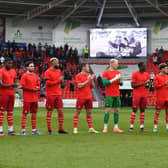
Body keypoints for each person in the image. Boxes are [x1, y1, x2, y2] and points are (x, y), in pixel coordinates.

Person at [44, 58, 68, 135]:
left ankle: (60, 129)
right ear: (52, 63)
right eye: (57, 63)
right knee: (50, 111)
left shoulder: (59, 71)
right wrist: (58, 81)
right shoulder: (47, 72)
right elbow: (48, 83)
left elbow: (60, 82)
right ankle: (49, 129)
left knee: (60, 111)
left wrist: (62, 83)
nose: (58, 64)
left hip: (58, 94)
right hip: (51, 94)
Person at [73, 63, 98, 134]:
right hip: (81, 97)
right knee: (77, 112)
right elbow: (79, 86)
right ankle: (75, 128)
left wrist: (92, 80)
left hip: (89, 97)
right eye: (87, 67)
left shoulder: (89, 76)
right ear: (83, 68)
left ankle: (90, 128)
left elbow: (92, 86)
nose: (89, 68)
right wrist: (87, 80)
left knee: (89, 113)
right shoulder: (78, 76)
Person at [102, 59, 123, 133]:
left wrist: (120, 80)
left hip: (116, 94)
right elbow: (105, 83)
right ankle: (105, 127)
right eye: (116, 63)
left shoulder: (118, 72)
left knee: (117, 110)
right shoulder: (106, 72)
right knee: (108, 110)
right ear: (111, 64)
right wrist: (115, 78)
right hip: (109, 94)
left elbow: (121, 84)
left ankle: (116, 127)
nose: (118, 65)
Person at [20, 61, 40, 136]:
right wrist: (32, 89)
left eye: (33, 66)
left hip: (35, 98)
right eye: (31, 66)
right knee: (25, 114)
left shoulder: (36, 76)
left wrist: (37, 88)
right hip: (27, 98)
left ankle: (34, 130)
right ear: (27, 67)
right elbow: (23, 86)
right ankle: (23, 130)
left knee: (34, 114)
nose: (32, 67)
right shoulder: (24, 76)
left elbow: (38, 85)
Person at [0, 57, 19, 136]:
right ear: (5, 63)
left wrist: (16, 84)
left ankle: (10, 130)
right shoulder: (1, 71)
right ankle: (0, 130)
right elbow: (0, 84)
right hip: (3, 94)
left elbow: (15, 81)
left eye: (11, 63)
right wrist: (12, 84)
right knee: (1, 112)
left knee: (10, 112)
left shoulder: (13, 71)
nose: (10, 65)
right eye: (8, 63)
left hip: (11, 94)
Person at [129, 62, 150, 132]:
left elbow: (147, 86)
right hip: (137, 94)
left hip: (144, 94)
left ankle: (142, 127)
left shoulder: (147, 75)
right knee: (134, 110)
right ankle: (131, 127)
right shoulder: (135, 74)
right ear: (140, 67)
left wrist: (149, 85)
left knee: (142, 110)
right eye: (144, 66)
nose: (145, 67)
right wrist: (143, 83)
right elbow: (133, 85)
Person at [153, 63, 168, 132]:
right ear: (162, 69)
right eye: (166, 68)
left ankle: (167, 126)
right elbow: (156, 86)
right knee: (157, 112)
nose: (167, 69)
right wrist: (164, 83)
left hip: (167, 97)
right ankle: (155, 126)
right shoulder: (157, 77)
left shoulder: (167, 76)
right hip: (160, 98)